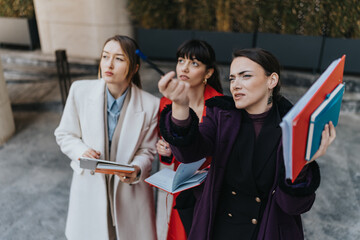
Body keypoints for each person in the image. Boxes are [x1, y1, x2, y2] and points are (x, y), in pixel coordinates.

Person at [158, 48, 336, 240]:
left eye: (245, 76)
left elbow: (293, 206)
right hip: (219, 229)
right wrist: (180, 106)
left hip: (266, 231)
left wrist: (305, 161)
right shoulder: (220, 114)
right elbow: (189, 153)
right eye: (232, 78)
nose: (235, 85)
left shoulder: (293, 127)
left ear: (271, 80)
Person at [54, 35, 159, 240]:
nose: (108, 64)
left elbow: (147, 150)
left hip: (130, 195)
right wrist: (81, 152)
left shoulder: (151, 105)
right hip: (89, 190)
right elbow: (64, 133)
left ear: (135, 67)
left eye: (119, 59)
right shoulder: (80, 91)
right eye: (105, 56)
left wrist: (136, 169)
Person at [156, 39, 223, 240]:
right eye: (181, 61)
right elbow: (166, 148)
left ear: (208, 73)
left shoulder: (218, 105)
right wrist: (166, 152)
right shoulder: (167, 102)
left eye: (194, 63)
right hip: (183, 182)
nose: (184, 68)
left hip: (212, 185)